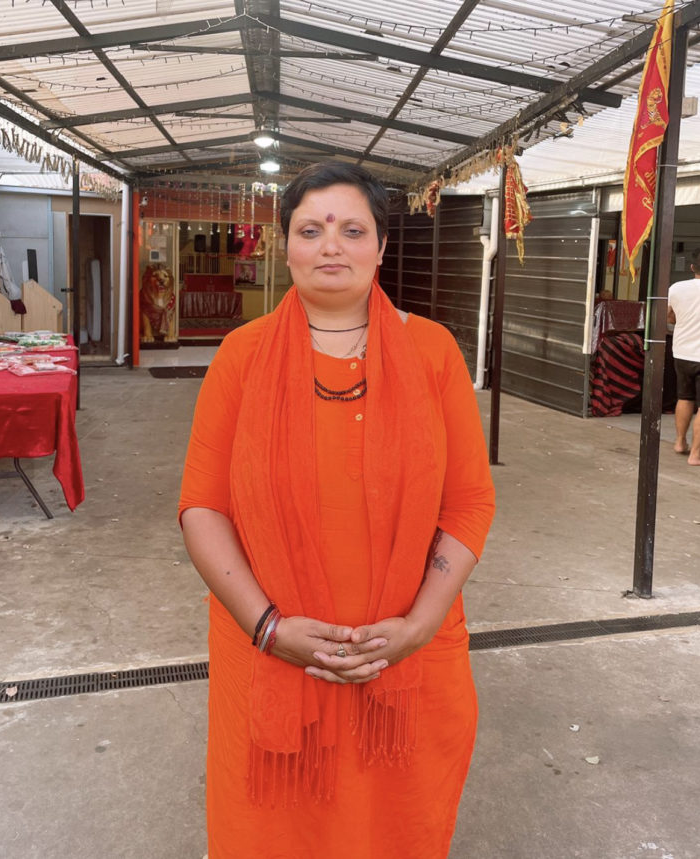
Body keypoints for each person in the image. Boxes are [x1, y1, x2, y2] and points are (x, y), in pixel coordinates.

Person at [177, 161, 496, 859]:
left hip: (406, 664)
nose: (331, 245)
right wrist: (269, 627)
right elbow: (203, 505)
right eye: (311, 229)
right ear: (283, 245)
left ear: (381, 246)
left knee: (397, 830)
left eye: (353, 229)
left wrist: (418, 624)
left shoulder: (433, 352)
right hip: (272, 661)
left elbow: (469, 501)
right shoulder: (241, 356)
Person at [667, 248, 700, 465]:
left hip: (682, 352)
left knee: (684, 397)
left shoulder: (676, 288)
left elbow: (670, 316)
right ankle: (696, 455)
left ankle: (679, 442)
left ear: (692, 267)